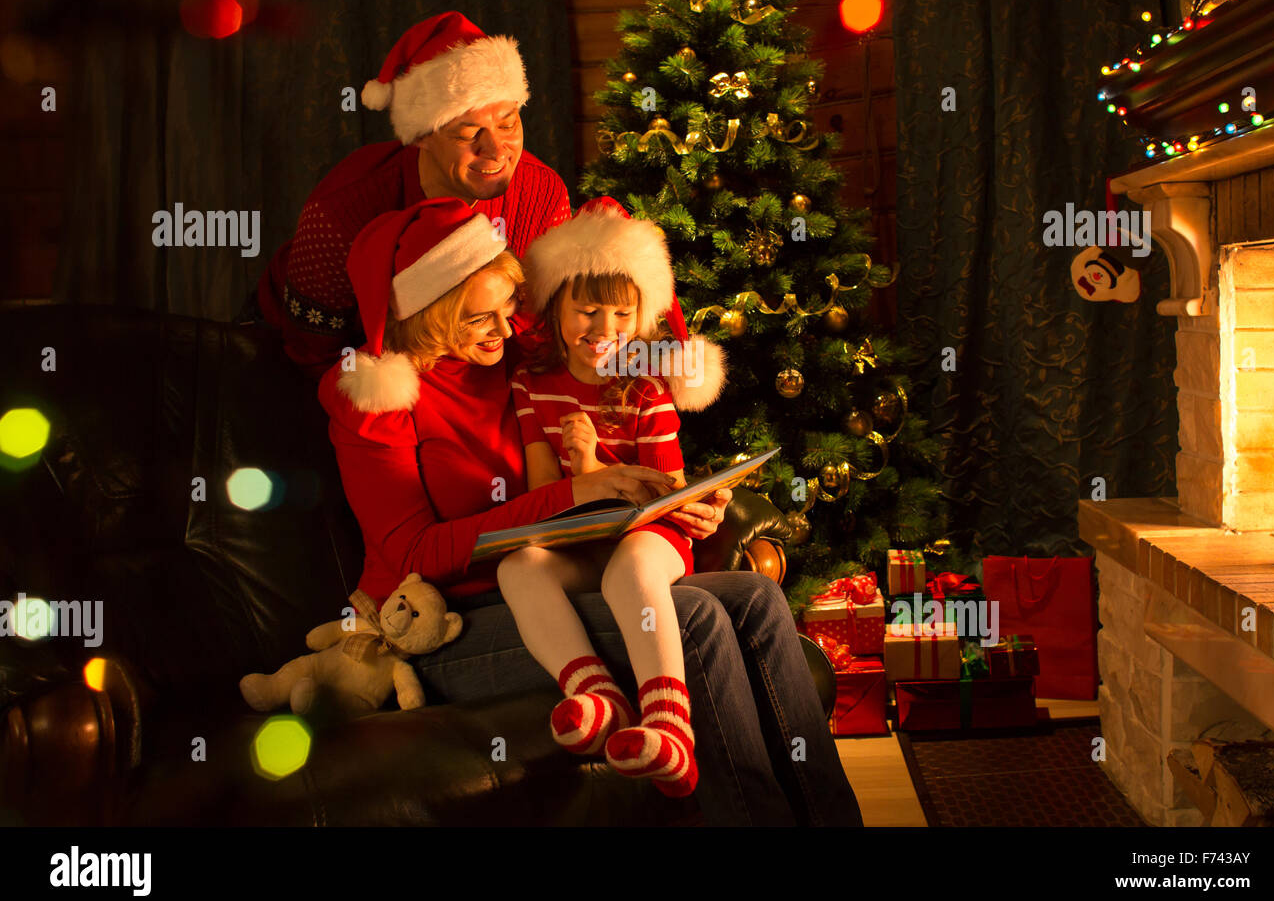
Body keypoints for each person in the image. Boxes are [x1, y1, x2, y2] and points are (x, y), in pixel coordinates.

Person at [317, 197, 864, 826]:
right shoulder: (378, 401)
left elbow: (611, 324)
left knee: (757, 601)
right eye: (479, 319)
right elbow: (415, 554)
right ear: (429, 315)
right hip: (445, 620)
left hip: (564, 568)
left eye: (507, 310)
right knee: (696, 617)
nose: (504, 329)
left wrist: (685, 501)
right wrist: (572, 495)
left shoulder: (512, 357)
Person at [499, 198, 727, 797]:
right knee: (519, 567)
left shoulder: (647, 386)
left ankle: (670, 726)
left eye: (622, 316)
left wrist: (598, 462)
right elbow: (543, 496)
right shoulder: (532, 386)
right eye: (588, 311)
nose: (604, 332)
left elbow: (664, 490)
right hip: (581, 541)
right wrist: (578, 470)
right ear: (555, 308)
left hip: (651, 543)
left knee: (630, 567)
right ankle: (596, 696)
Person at [243, 11, 571, 377]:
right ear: (420, 136)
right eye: (467, 132)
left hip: (465, 367)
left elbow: (542, 332)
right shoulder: (341, 210)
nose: (497, 150)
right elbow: (313, 356)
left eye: (508, 123)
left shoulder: (542, 192)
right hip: (304, 352)